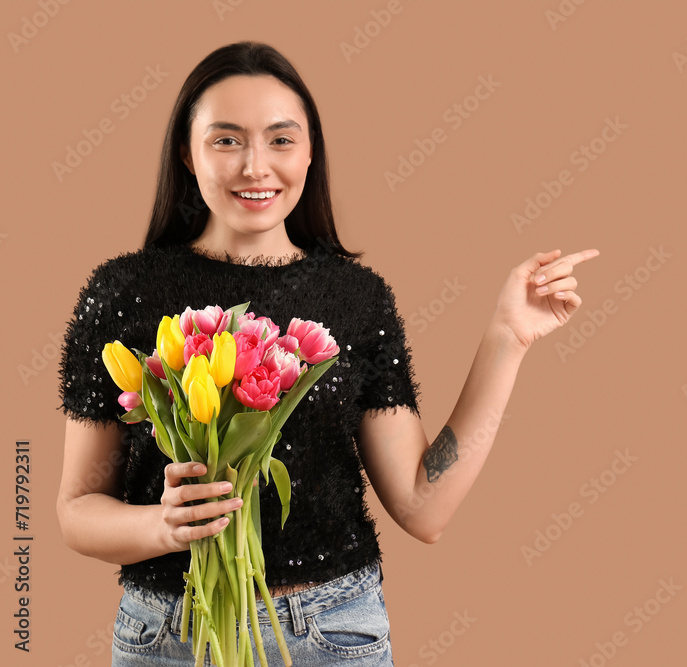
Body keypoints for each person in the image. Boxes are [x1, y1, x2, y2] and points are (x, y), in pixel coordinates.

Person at [55, 41, 598, 666]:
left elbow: (424, 508)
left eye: (281, 140)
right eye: (226, 140)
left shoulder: (355, 298)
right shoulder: (124, 292)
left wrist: (507, 338)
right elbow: (76, 511)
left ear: (310, 153)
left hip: (332, 636)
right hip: (172, 637)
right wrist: (160, 525)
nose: (256, 167)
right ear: (187, 151)